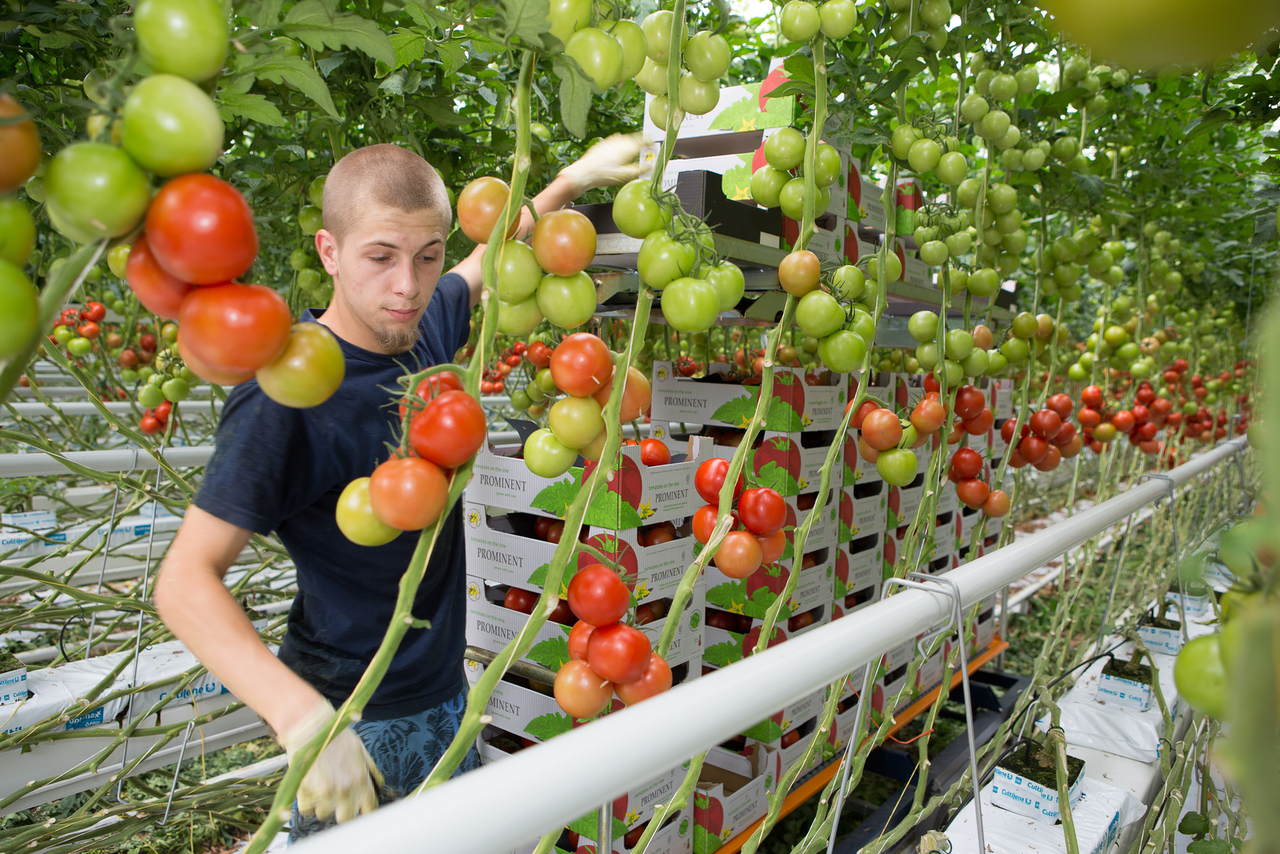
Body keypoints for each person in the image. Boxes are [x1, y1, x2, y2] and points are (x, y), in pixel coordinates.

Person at [154, 135, 648, 841]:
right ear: (329, 251)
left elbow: (482, 265)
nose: (407, 287)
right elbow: (182, 582)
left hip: (443, 693)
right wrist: (303, 722)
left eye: (426, 257)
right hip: (353, 716)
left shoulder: (421, 332)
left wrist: (572, 179)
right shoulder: (286, 394)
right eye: (380, 257)